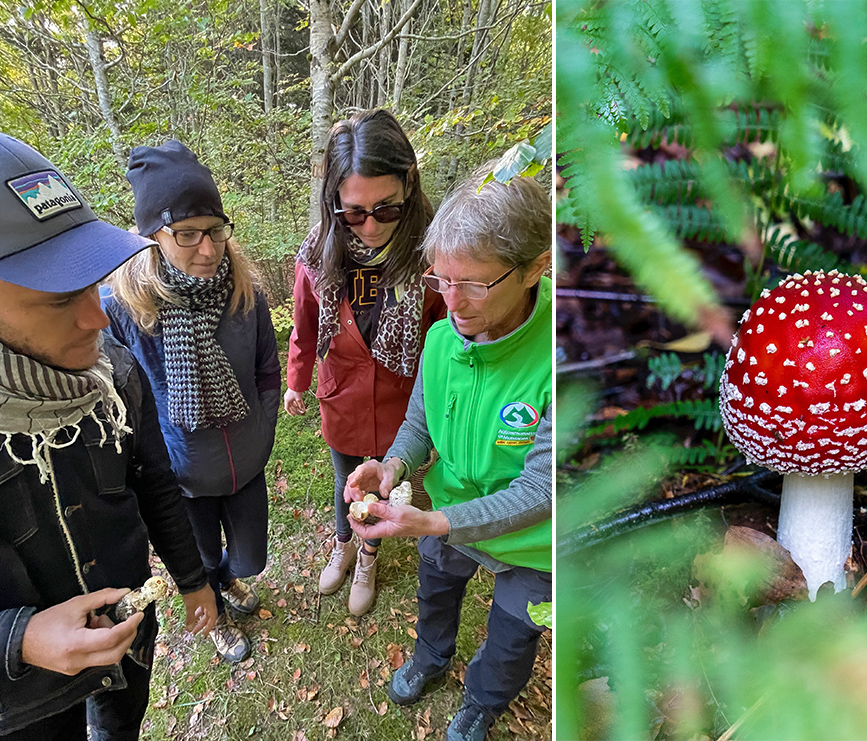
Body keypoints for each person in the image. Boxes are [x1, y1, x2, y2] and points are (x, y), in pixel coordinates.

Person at [0, 134, 218, 739]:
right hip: (25, 703)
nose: (97, 318)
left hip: (128, 642)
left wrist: (194, 580)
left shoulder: (113, 373)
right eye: (61, 298)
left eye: (92, 285)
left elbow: (155, 483)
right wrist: (20, 639)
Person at [343, 165, 552, 741]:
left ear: (536, 267)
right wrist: (393, 465)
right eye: (441, 281)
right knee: (435, 593)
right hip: (446, 514)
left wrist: (433, 520)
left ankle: (483, 700)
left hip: (535, 546)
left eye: (474, 284)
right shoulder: (443, 339)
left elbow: (543, 490)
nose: (453, 303)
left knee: (514, 635)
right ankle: (431, 658)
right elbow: (420, 422)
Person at [103, 140, 280, 664]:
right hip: (181, 479)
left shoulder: (245, 291)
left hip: (246, 464)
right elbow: (119, 406)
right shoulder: (124, 310)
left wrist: (262, 432)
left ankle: (228, 579)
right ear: (152, 236)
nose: (208, 249)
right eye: (186, 234)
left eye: (215, 230)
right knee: (200, 556)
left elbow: (268, 371)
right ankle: (216, 606)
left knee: (249, 557)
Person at [285, 109, 446, 616]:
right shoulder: (318, 254)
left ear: (409, 186)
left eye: (387, 209)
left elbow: (447, 340)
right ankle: (343, 541)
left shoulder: (435, 254)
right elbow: (305, 324)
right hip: (343, 398)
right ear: (334, 202)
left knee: (388, 482)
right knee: (345, 478)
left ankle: (368, 555)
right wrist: (297, 381)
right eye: (354, 212)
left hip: (405, 402)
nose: (371, 226)